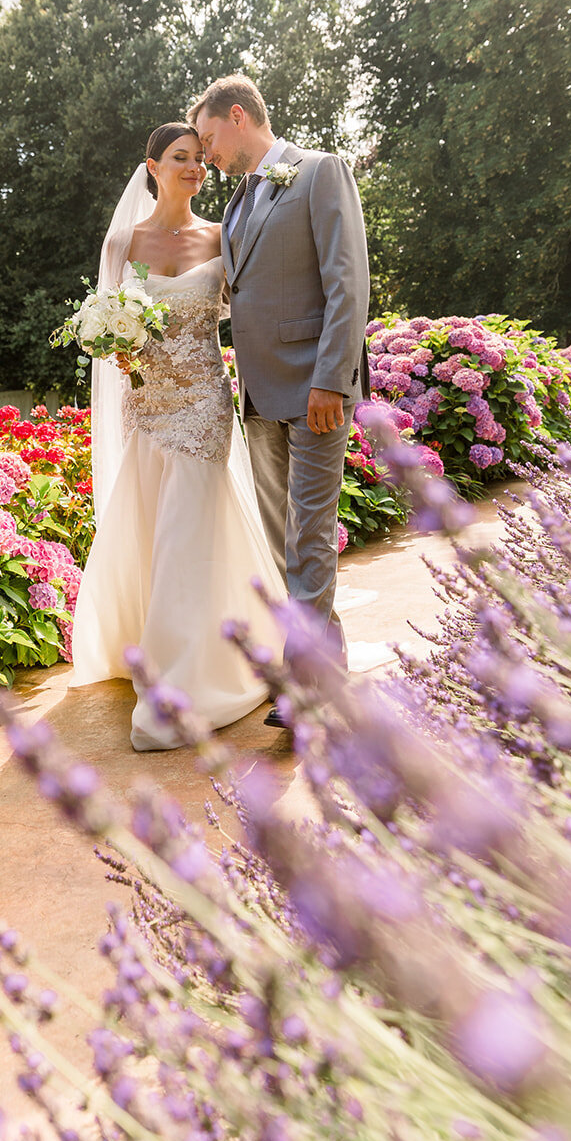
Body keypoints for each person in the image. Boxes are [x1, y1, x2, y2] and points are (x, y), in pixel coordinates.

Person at [70, 122, 286, 751]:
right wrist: (120, 349)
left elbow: (248, 313)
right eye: (180, 158)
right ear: (153, 166)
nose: (194, 167)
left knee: (184, 533)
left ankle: (182, 688)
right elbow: (106, 334)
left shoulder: (222, 237)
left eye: (199, 158)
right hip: (148, 406)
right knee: (152, 529)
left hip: (203, 403)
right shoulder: (123, 242)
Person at [188, 75, 370, 726]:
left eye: (208, 138)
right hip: (259, 395)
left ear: (238, 116)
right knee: (283, 542)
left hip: (315, 389)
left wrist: (331, 379)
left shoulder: (318, 172)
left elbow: (347, 281)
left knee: (309, 539)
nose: (206, 154)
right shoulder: (236, 203)